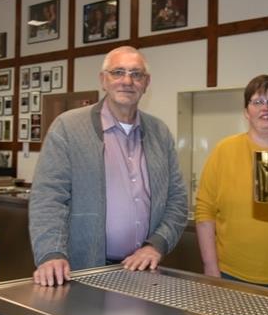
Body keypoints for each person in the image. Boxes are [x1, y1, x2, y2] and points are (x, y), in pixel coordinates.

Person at [29, 45, 188, 286]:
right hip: (82, 272)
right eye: (118, 72)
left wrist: (156, 245)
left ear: (146, 83)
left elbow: (177, 200)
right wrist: (51, 253)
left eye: (136, 74)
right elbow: (48, 197)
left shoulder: (160, 133)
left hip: (143, 272)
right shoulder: (68, 128)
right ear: (103, 80)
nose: (127, 81)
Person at [194, 75, 268, 294]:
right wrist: (210, 266)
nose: (266, 107)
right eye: (258, 101)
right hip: (233, 274)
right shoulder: (224, 151)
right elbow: (205, 212)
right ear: (246, 111)